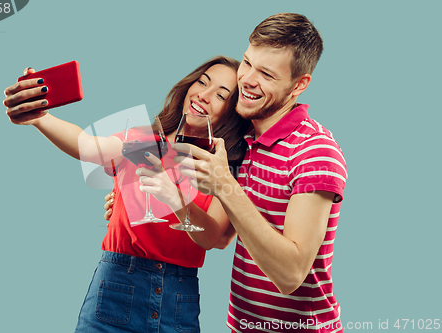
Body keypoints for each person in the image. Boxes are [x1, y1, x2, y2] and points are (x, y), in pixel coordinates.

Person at [104, 13, 347, 333]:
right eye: (248, 62)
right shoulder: (245, 143)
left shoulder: (315, 152)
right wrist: (129, 203)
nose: (246, 79)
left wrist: (224, 184)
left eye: (266, 74)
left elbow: (290, 275)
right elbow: (222, 237)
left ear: (298, 85)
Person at [3, 55, 250, 333]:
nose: (204, 95)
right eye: (202, 82)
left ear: (232, 112)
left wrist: (175, 200)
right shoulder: (144, 140)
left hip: (179, 296)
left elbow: (212, 237)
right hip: (118, 284)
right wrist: (41, 119)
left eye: (220, 95)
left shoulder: (224, 167)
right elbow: (88, 146)